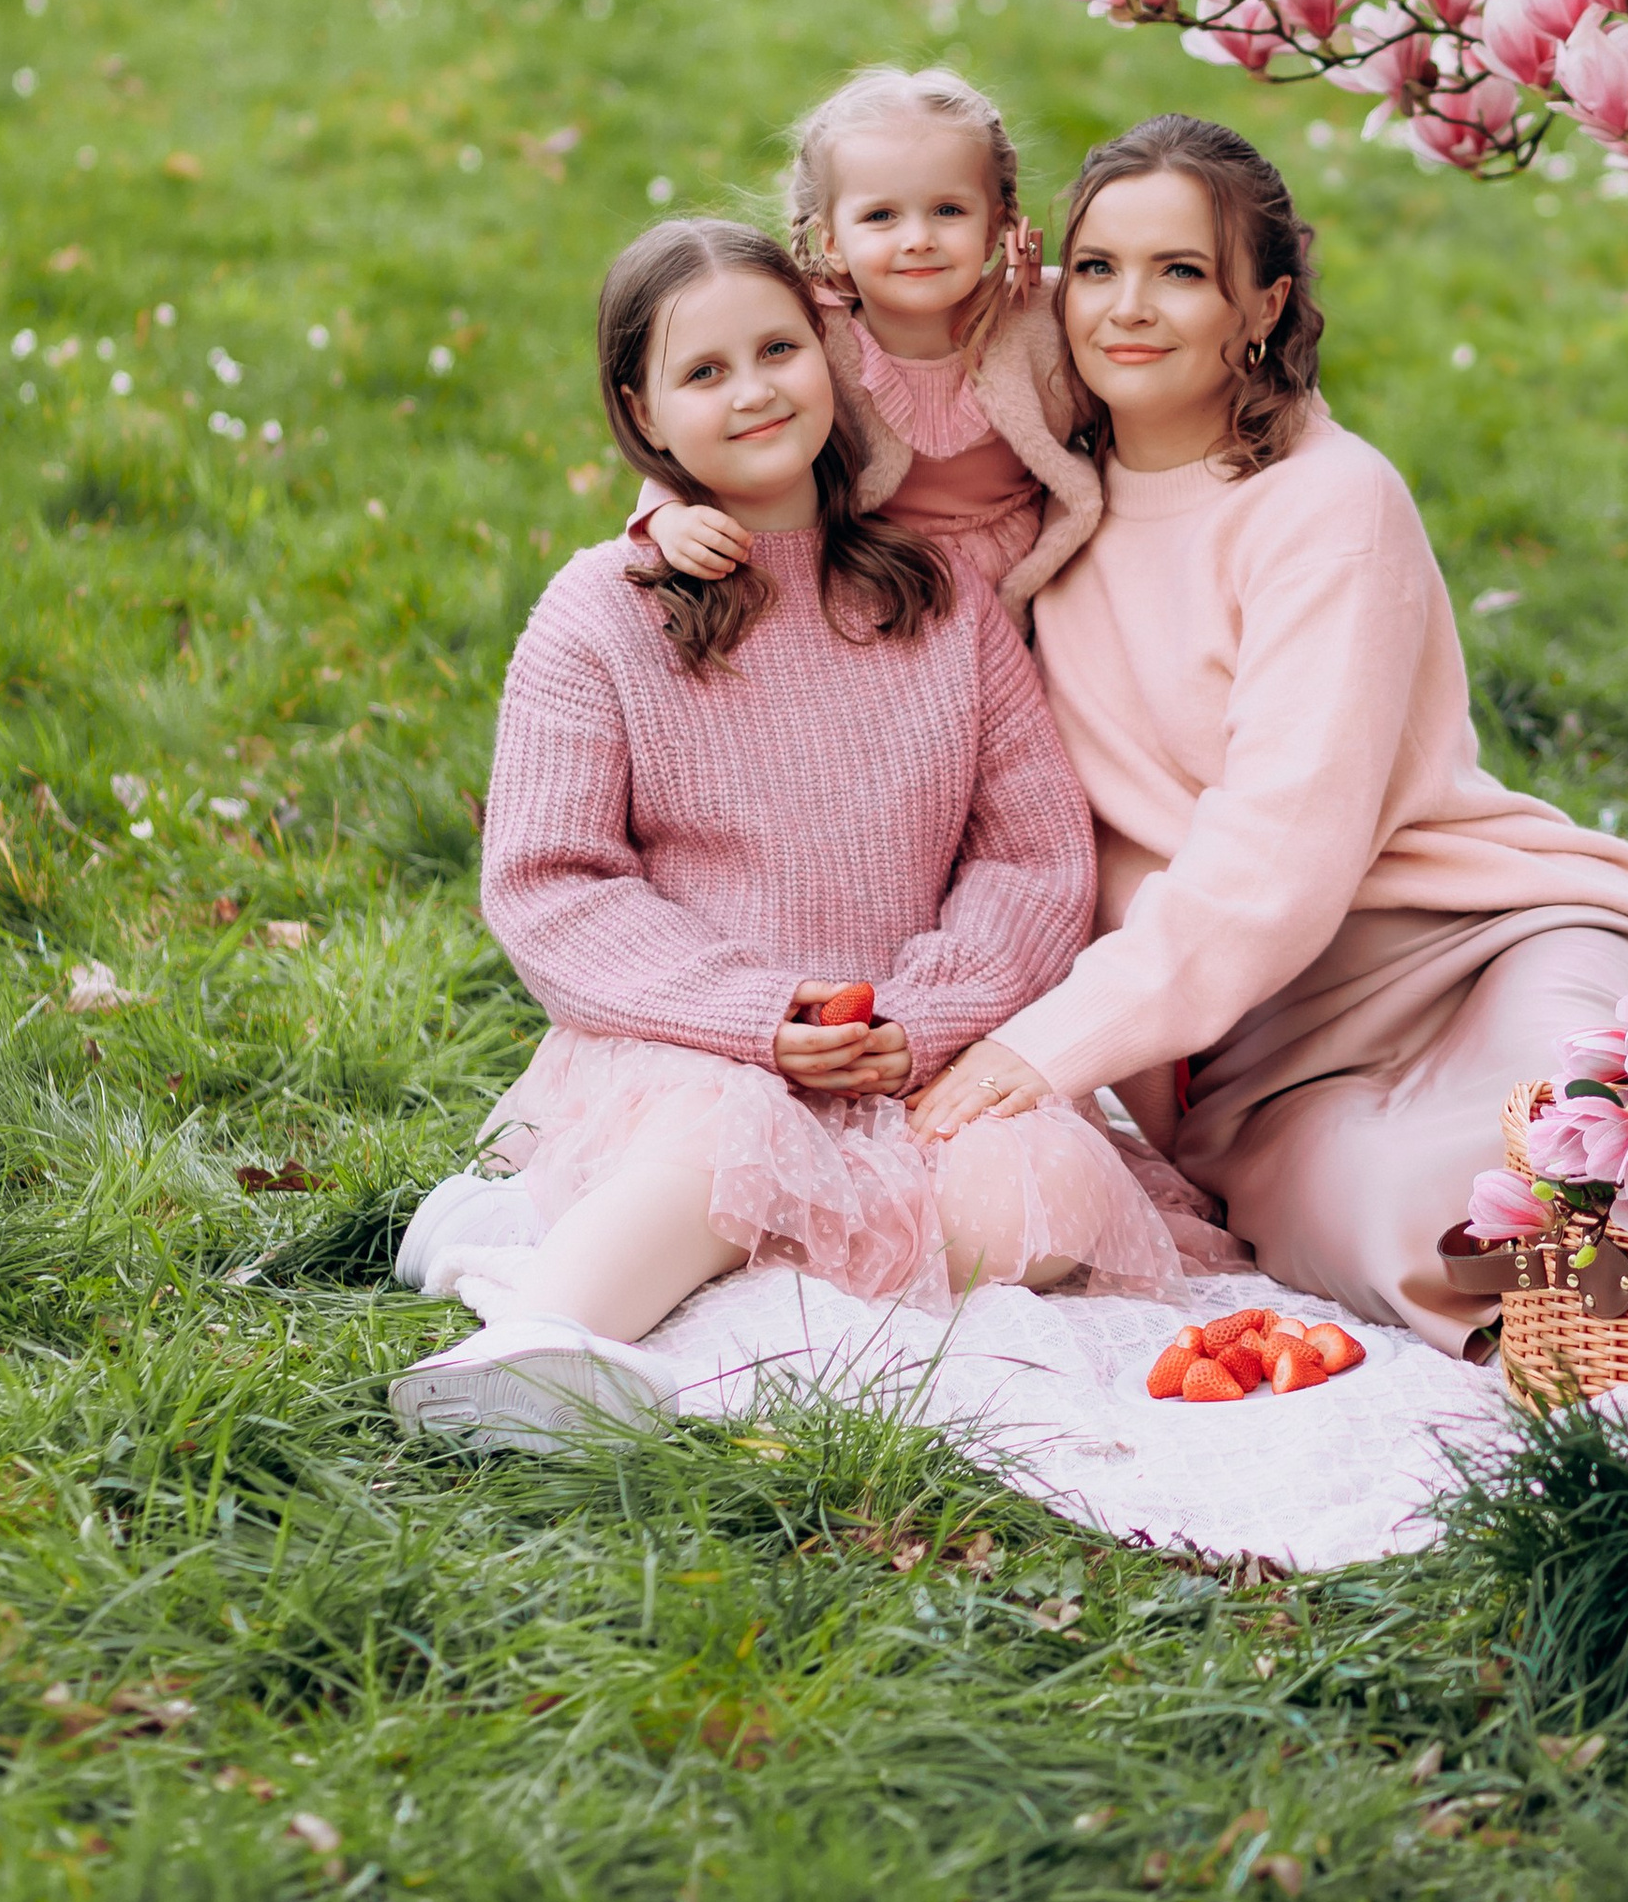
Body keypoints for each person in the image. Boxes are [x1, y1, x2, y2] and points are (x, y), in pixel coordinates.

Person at [905, 116, 1628, 1355]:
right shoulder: (1037, 508)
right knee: (1399, 1225)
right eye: (1098, 268)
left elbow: (1276, 853)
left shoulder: (1327, 504)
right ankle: (1617, 1328)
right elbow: (803, 381)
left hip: (1470, 945)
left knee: (1579, 1127)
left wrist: (1046, 1044)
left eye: (1183, 273)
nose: (1129, 307)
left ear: (1263, 306)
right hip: (1259, 1055)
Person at [392, 217, 1182, 1454]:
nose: (754, 392)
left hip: (903, 1045)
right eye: (704, 373)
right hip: (696, 1043)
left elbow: (1031, 856)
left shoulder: (935, 597)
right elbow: (552, 885)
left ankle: (568, 1245)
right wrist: (760, 1018)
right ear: (641, 409)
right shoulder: (603, 612)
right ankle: (528, 1343)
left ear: (832, 354)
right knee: (738, 1138)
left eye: (778, 350)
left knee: (1028, 1194)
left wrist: (922, 1018)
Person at [635, 65, 1096, 625]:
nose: (918, 239)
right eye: (881, 216)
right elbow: (714, 428)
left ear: (997, 223)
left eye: (948, 211)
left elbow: (1129, 402)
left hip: (1032, 572)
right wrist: (665, 516)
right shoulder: (812, 342)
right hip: (873, 575)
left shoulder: (1039, 319)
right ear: (832, 242)